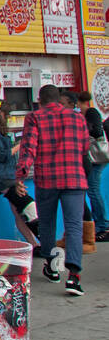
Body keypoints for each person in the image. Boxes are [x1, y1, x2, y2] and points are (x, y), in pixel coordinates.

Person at [17, 84, 91, 297]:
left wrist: (20, 175)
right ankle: (74, 277)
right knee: (74, 226)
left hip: (47, 180)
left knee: (47, 223)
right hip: (75, 179)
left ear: (40, 100)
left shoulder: (35, 117)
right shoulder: (77, 118)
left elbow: (29, 148)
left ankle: (51, 266)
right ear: (58, 99)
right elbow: (85, 147)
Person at [0, 101, 40, 248]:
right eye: (5, 114)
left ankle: (34, 245)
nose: (6, 117)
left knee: (19, 213)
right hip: (3, 177)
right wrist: (20, 145)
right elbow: (2, 155)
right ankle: (43, 241)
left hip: (10, 176)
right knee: (28, 207)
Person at [75, 92, 109, 242]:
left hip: (97, 158)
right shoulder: (86, 113)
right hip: (92, 159)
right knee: (91, 190)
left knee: (93, 190)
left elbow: (96, 131)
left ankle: (103, 226)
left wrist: (82, 128)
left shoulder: (91, 112)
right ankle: (100, 225)